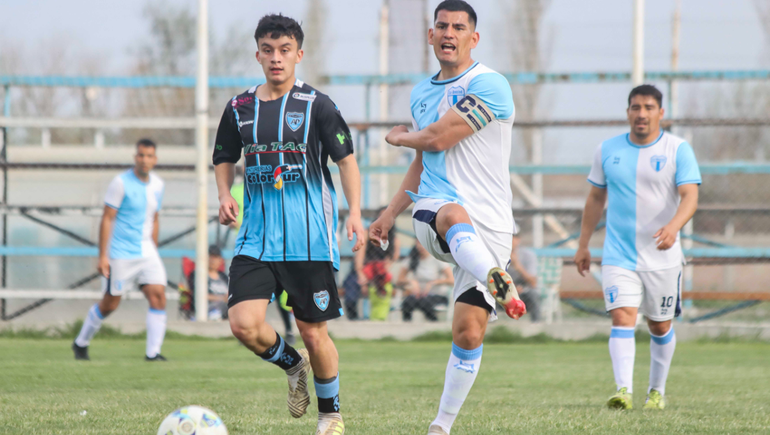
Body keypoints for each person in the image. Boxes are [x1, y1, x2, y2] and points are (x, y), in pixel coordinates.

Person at [368, 2, 526, 433]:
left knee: (469, 333)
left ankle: (440, 427)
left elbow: (435, 139)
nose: (449, 32)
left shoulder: (490, 85)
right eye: (441, 26)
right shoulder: (422, 93)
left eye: (458, 27)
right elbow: (425, 159)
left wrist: (399, 136)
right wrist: (389, 214)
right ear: (431, 34)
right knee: (452, 212)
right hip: (436, 211)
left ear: (474, 38)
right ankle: (498, 276)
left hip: (490, 225)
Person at [213, 14, 364, 435]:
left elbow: (347, 162)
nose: (275, 59)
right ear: (257, 54)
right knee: (243, 324)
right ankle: (291, 364)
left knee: (315, 334)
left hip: (309, 238)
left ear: (298, 54)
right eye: (267, 50)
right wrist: (224, 194)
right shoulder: (239, 108)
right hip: (256, 239)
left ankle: (330, 416)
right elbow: (224, 157)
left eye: (284, 51)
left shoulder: (318, 105)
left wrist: (354, 212)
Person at [575, 84, 701, 411]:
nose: (641, 114)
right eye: (635, 107)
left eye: (648, 107)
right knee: (622, 318)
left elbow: (690, 196)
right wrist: (584, 244)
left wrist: (674, 227)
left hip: (662, 257)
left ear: (661, 113)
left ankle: (656, 392)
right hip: (618, 255)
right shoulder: (607, 150)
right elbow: (595, 198)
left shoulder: (678, 150)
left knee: (659, 325)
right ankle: (623, 391)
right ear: (628, 112)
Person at [72, 139, 168, 362]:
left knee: (158, 296)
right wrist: (103, 256)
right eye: (141, 155)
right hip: (121, 253)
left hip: (147, 252)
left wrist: (154, 247)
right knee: (110, 303)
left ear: (155, 159)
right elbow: (107, 219)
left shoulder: (158, 185)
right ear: (135, 157)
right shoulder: (120, 183)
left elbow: (154, 218)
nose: (144, 160)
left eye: (149, 156)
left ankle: (152, 354)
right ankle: (80, 342)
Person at [342, 207, 400, 320]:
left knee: (384, 290)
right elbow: (359, 256)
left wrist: (383, 270)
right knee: (350, 294)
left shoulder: (394, 239)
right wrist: (361, 274)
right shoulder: (367, 233)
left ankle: (379, 320)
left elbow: (392, 260)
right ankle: (354, 322)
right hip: (362, 270)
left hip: (380, 272)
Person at [398, 242, 453, 322]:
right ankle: (407, 326)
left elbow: (451, 280)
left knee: (425, 302)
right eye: (418, 243)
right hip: (418, 295)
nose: (421, 246)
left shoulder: (437, 259)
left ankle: (433, 325)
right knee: (407, 302)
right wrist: (411, 282)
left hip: (436, 295)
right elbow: (399, 280)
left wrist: (433, 283)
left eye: (422, 243)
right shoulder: (412, 259)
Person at [188, 245, 229, 321]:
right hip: (206, 308)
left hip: (226, 308)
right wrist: (222, 298)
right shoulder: (197, 275)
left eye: (216, 257)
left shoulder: (224, 277)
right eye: (210, 256)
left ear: (220, 260)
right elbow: (198, 295)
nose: (212, 260)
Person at [507, 234, 540, 322]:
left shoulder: (527, 255)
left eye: (513, 237)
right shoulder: (498, 255)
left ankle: (536, 325)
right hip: (504, 290)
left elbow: (533, 282)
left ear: (518, 239)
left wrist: (517, 265)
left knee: (533, 294)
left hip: (524, 290)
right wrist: (512, 288)